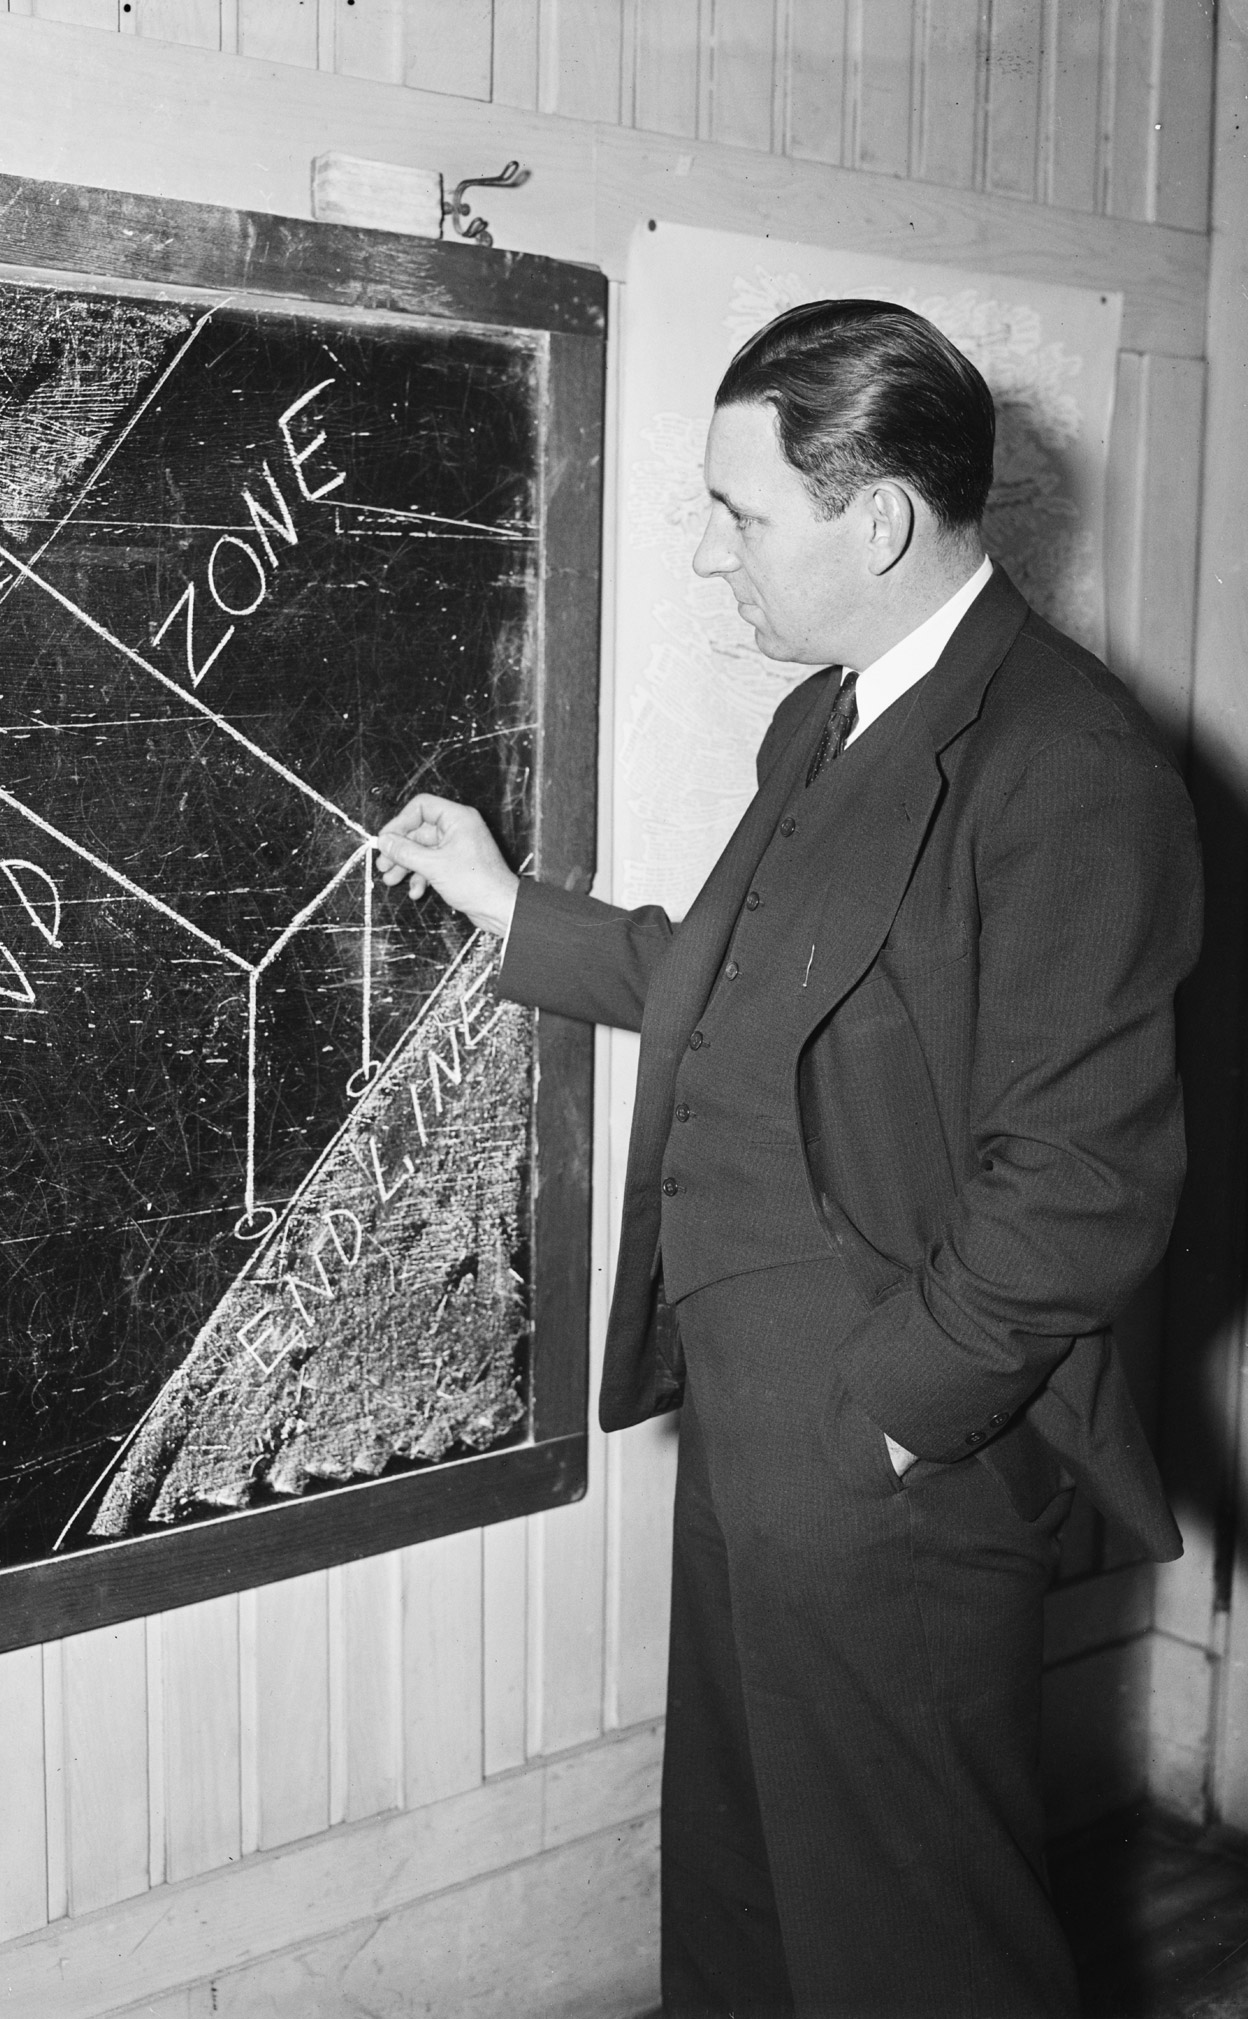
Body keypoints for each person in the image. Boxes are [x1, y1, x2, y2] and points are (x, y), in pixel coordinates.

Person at [375, 299, 1203, 2018]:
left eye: (740, 511)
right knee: (753, 1890)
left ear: (880, 521)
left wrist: (886, 1424)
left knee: (918, 1943)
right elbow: (743, 987)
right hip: (758, 1417)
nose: (706, 551)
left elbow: (1085, 1185)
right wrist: (507, 907)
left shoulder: (1069, 766)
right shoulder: (828, 715)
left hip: (897, 1452)